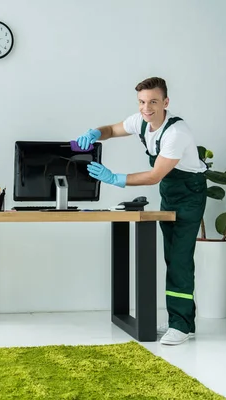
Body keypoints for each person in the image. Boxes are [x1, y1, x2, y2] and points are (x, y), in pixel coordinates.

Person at [75, 77, 207, 346]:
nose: (146, 108)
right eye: (142, 102)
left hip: (190, 195)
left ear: (165, 103)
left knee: (180, 260)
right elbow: (112, 129)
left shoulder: (176, 133)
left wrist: (115, 178)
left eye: (153, 102)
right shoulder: (142, 121)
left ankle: (180, 326)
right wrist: (94, 133)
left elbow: (155, 175)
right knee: (172, 257)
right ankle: (182, 321)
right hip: (171, 194)